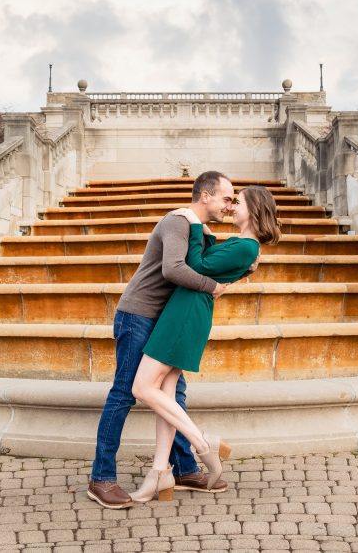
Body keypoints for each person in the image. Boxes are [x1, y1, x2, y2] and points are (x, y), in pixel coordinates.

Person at [87, 171, 237, 509]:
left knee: (175, 392)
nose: (230, 205)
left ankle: (183, 469)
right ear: (205, 196)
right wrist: (212, 288)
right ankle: (101, 477)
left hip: (165, 319)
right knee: (124, 392)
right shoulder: (177, 221)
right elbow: (172, 269)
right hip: (139, 314)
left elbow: (202, 263)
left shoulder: (197, 228)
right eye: (227, 198)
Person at [127, 185, 282, 503]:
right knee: (165, 393)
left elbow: (193, 265)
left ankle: (203, 443)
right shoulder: (244, 247)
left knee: (142, 389)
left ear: (254, 209)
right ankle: (160, 472)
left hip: (185, 314)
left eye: (237, 202)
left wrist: (196, 225)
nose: (231, 206)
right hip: (184, 310)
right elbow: (212, 266)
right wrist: (208, 232)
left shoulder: (245, 247)